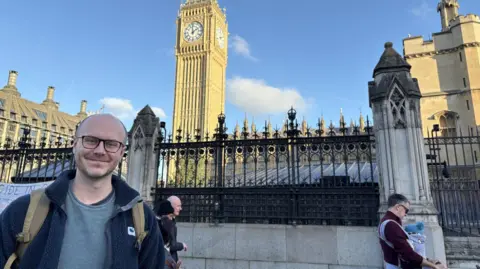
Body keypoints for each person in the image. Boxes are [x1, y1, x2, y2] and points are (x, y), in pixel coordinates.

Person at [0, 114, 165, 268]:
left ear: (122, 152)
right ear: (75, 144)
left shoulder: (142, 218)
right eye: (90, 140)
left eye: (111, 144)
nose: (100, 150)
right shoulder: (23, 210)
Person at [378, 194, 446, 269]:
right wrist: (434, 266)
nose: (406, 214)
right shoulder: (390, 224)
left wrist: (429, 261)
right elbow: (407, 254)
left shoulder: (390, 222)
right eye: (406, 210)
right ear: (398, 207)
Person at [156, 197, 187, 263]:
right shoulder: (165, 223)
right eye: (178, 206)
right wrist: (182, 245)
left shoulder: (168, 222)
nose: (180, 208)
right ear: (171, 206)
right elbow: (171, 245)